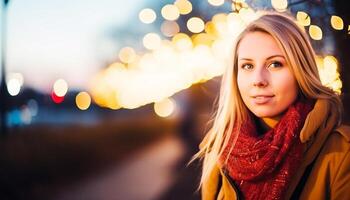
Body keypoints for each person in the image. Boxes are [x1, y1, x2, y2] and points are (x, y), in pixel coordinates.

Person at [193, 12, 350, 200]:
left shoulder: (342, 152)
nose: (258, 80)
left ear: (301, 71)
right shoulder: (220, 149)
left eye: (275, 64)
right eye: (247, 66)